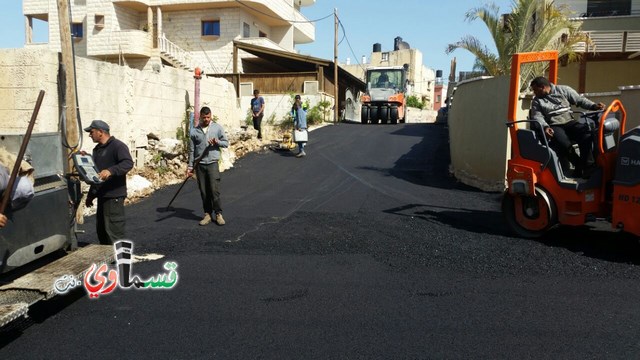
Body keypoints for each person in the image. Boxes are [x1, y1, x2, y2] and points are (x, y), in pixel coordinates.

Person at [529, 76, 605, 178]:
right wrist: (545, 127)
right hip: (554, 125)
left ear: (542, 87)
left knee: (586, 134)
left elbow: (579, 100)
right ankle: (579, 165)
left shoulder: (563, 90)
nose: (534, 93)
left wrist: (594, 106)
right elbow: (537, 116)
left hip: (569, 121)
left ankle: (588, 167)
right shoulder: (537, 101)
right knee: (563, 143)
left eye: (535, 90)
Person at [84, 120, 134, 245]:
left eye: (92, 132)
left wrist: (110, 171)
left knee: (114, 233)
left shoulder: (118, 146)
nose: (90, 135)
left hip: (114, 197)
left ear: (101, 132)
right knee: (102, 232)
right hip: (102, 197)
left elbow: (127, 163)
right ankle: (108, 261)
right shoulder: (97, 151)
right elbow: (96, 176)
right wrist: (91, 196)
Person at [187, 106, 229, 226]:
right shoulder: (194, 131)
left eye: (208, 117)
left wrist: (217, 142)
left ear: (211, 116)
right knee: (204, 191)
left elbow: (226, 143)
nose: (206, 119)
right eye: (204, 117)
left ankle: (218, 214)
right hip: (199, 165)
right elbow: (191, 151)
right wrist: (190, 167)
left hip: (212, 164)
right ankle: (207, 214)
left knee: (214, 190)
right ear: (200, 116)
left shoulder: (217, 128)